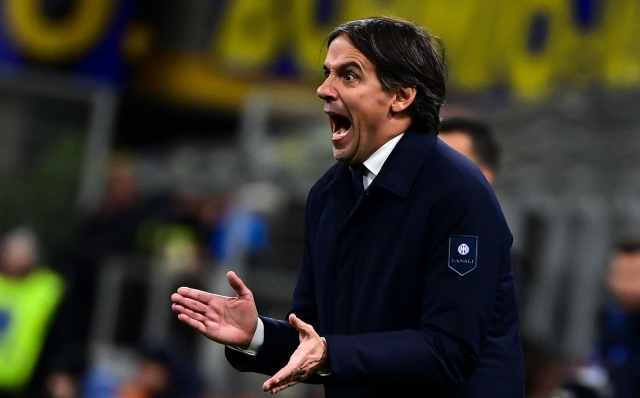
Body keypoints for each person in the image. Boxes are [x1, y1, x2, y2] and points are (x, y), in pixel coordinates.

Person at [171, 17, 524, 397]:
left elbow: (448, 350)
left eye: (349, 76)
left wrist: (329, 353)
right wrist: (255, 334)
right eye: (327, 74)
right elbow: (314, 338)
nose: (324, 90)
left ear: (402, 96)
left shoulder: (458, 192)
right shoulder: (328, 194)